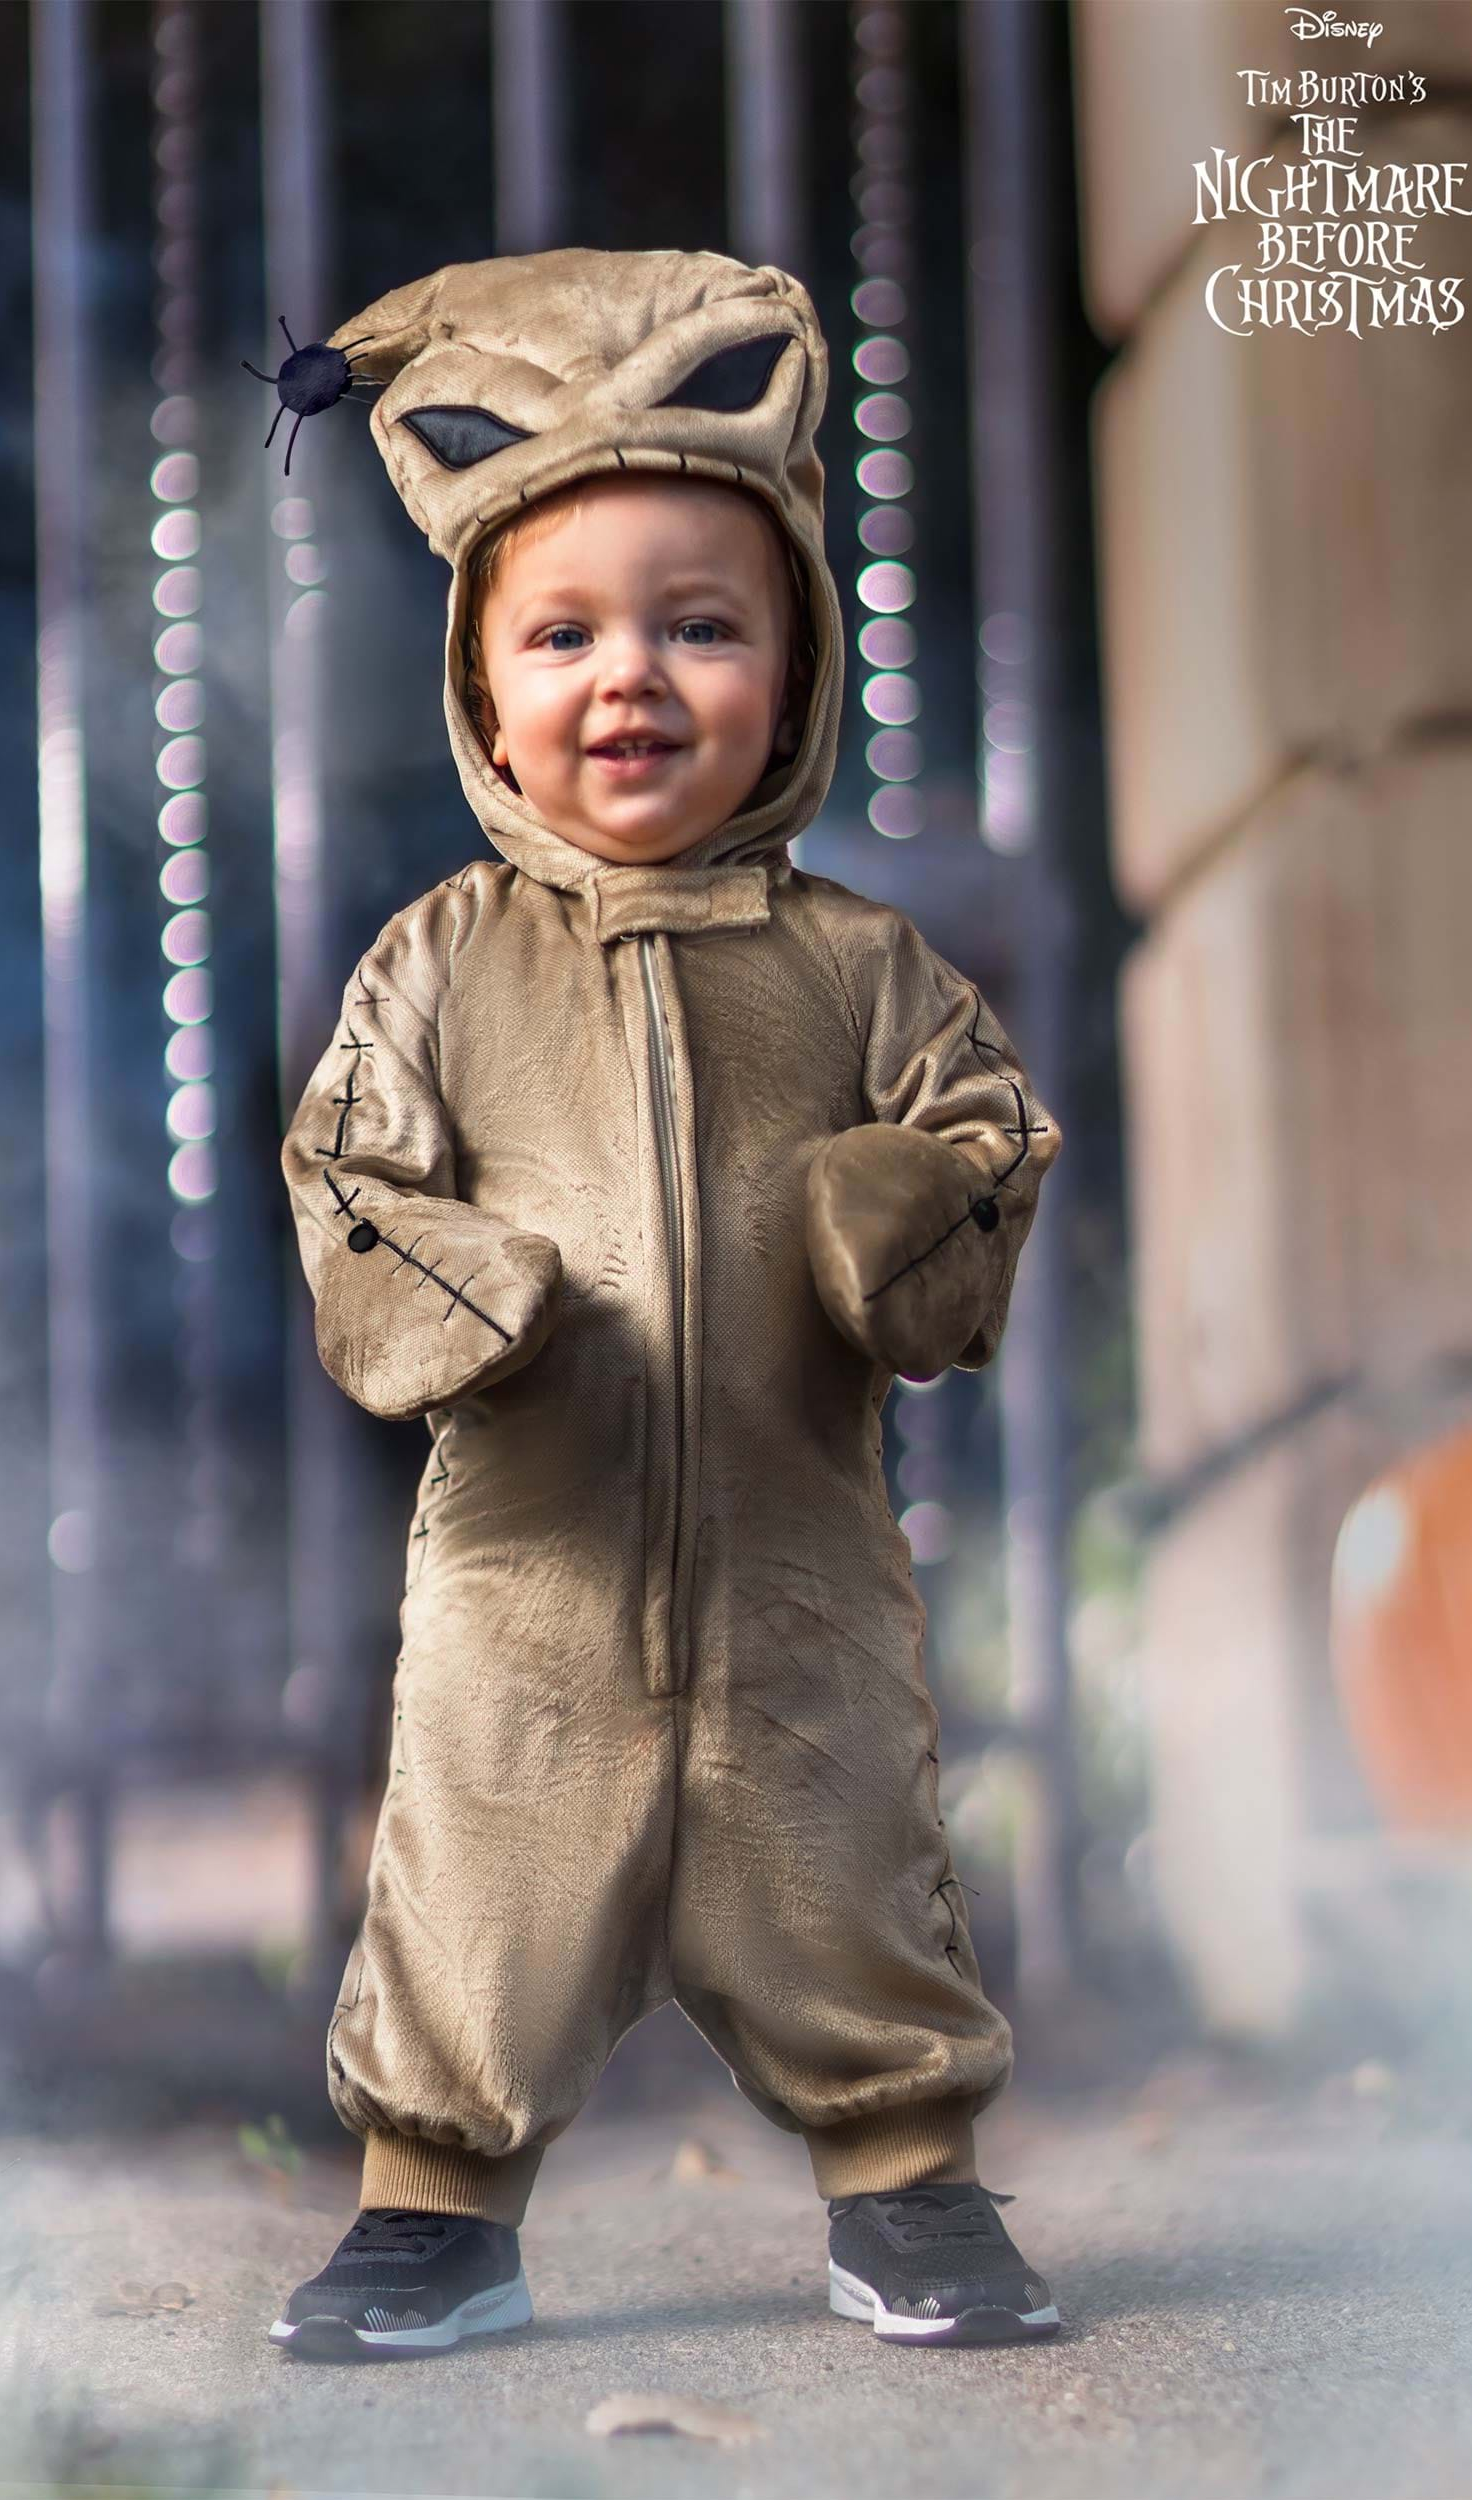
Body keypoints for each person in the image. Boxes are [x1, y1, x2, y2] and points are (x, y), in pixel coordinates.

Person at [263, 248, 1063, 2360]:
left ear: (788, 674)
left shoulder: (856, 966)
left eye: (701, 624)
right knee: (474, 1891)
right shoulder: (437, 963)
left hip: (794, 1567)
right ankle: (433, 2204)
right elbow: (346, 1180)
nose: (632, 675)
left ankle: (907, 2184)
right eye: (565, 631)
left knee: (846, 1874)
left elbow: (989, 1136)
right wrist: (463, 1282)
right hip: (526, 1577)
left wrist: (897, 1206)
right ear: (481, 680)